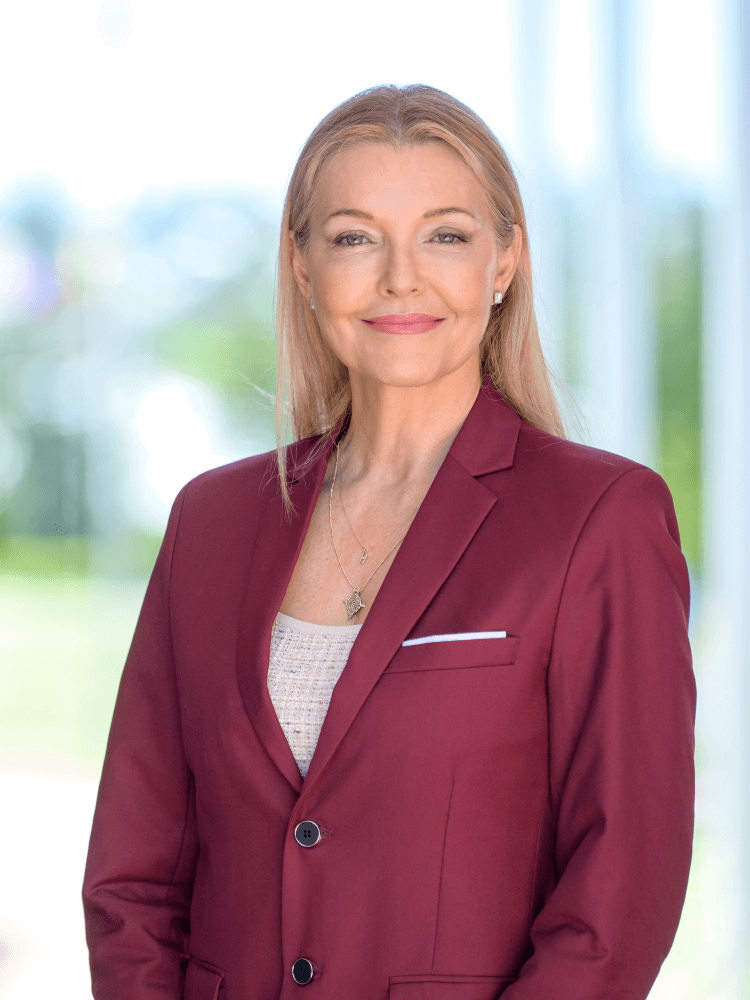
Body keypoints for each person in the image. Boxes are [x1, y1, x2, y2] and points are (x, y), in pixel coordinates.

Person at [82, 84, 696, 1000]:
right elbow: (132, 879)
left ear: (504, 261)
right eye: (355, 237)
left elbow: (620, 892)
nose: (401, 277)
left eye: (445, 234)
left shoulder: (600, 518)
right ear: (301, 266)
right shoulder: (208, 523)